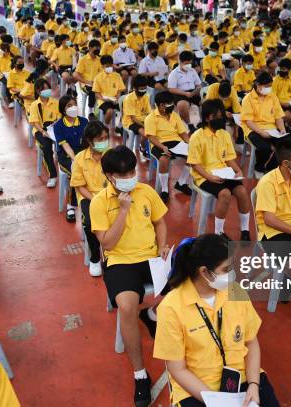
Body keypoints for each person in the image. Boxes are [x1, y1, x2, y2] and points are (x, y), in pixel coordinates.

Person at [153, 234, 280, 407]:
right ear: (204, 272)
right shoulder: (171, 308)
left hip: (242, 378)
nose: (233, 274)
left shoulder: (236, 292)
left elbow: (251, 343)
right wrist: (215, 402)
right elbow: (177, 369)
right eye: (226, 270)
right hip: (198, 388)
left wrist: (253, 385)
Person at [90, 145, 169, 407]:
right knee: (126, 306)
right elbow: (109, 245)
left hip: (151, 256)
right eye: (123, 174)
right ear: (111, 176)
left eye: (133, 171)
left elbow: (160, 222)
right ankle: (140, 374)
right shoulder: (99, 203)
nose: (130, 177)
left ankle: (151, 314)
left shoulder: (145, 192)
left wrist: (163, 247)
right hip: (121, 261)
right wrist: (123, 210)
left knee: (187, 285)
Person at [187, 99, 251, 240]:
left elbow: (228, 158)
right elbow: (194, 164)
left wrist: (238, 171)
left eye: (221, 116)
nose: (219, 119)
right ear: (206, 118)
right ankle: (219, 233)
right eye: (215, 117)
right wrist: (210, 177)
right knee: (225, 194)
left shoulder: (224, 134)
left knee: (241, 191)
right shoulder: (196, 137)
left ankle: (245, 231)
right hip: (203, 175)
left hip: (224, 173)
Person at [70, 121, 108, 277]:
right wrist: (96, 200)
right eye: (100, 139)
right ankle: (94, 258)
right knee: (90, 222)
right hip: (89, 197)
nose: (104, 141)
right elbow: (80, 187)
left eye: (106, 137)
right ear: (89, 141)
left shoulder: (111, 154)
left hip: (110, 194)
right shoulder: (80, 159)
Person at [144, 91, 192, 203]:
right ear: (161, 105)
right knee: (164, 159)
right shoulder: (150, 118)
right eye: (168, 104)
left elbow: (182, 133)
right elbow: (151, 137)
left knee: (193, 156)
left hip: (176, 142)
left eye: (172, 103)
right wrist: (162, 147)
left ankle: (181, 183)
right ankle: (165, 190)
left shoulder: (174, 115)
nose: (172, 106)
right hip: (159, 143)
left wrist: (190, 144)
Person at [240, 72, 286, 176]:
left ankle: (270, 167)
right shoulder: (248, 99)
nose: (269, 89)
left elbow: (278, 116)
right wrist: (262, 133)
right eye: (267, 86)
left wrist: (282, 129)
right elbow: (248, 121)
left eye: (270, 86)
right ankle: (259, 168)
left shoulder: (272, 96)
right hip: (253, 129)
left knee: (286, 145)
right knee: (264, 148)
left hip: (271, 128)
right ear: (257, 85)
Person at [53, 95, 89, 222]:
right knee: (76, 173)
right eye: (69, 105)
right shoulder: (58, 126)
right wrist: (76, 159)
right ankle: (71, 206)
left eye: (74, 104)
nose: (73, 107)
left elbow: (89, 141)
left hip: (83, 153)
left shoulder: (84, 121)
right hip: (66, 156)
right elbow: (65, 146)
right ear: (63, 110)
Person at [29, 78, 61, 188]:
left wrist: (54, 127)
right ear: (38, 91)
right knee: (46, 147)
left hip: (54, 129)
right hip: (40, 130)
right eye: (45, 89)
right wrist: (43, 131)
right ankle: (53, 175)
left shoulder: (55, 102)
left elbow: (59, 118)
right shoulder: (34, 105)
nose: (48, 91)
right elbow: (35, 122)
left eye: (48, 88)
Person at [93, 54, 125, 137]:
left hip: (115, 99)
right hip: (103, 100)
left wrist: (118, 97)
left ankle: (120, 126)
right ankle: (106, 127)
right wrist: (104, 99)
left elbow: (120, 90)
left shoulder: (117, 76)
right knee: (110, 111)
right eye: (107, 66)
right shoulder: (98, 78)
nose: (109, 67)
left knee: (126, 108)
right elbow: (97, 94)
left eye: (111, 65)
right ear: (102, 66)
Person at [167, 51, 201, 127]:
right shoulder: (174, 73)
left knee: (207, 101)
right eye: (186, 64)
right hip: (180, 93)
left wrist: (197, 90)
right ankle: (189, 124)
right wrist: (185, 93)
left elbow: (198, 84)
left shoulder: (192, 71)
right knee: (182, 105)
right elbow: (171, 89)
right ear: (180, 62)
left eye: (189, 64)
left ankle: (202, 124)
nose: (188, 66)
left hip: (193, 92)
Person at [122, 75, 151, 162]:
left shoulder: (145, 97)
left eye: (145, 88)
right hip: (130, 122)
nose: (144, 90)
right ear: (135, 88)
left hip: (142, 120)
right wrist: (145, 126)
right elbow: (133, 118)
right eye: (141, 88)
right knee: (146, 133)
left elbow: (149, 112)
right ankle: (143, 148)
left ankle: (144, 147)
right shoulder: (128, 99)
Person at [72, 39, 103, 117]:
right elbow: (76, 74)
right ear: (90, 48)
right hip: (85, 84)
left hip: (97, 83)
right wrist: (86, 82)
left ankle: (99, 111)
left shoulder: (99, 60)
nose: (98, 49)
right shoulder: (83, 60)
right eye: (96, 47)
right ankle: (90, 111)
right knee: (93, 89)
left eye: (99, 47)